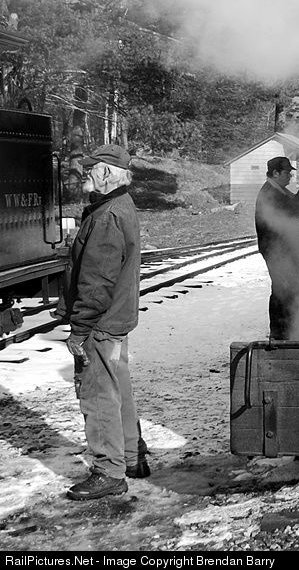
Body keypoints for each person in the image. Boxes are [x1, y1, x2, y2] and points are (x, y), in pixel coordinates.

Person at [55, 143, 148, 501]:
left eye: (91, 167)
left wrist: (79, 330)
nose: (85, 172)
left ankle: (109, 471)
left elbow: (97, 284)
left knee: (97, 394)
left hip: (100, 324)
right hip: (115, 319)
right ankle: (131, 456)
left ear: (106, 173)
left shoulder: (107, 215)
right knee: (117, 387)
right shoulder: (118, 206)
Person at [255, 156, 299, 340]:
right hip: (276, 250)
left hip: (283, 249)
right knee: (283, 289)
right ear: (275, 173)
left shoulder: (279, 191)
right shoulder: (270, 194)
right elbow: (294, 210)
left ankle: (289, 329)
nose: (290, 176)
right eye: (287, 173)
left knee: (288, 289)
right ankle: (281, 333)